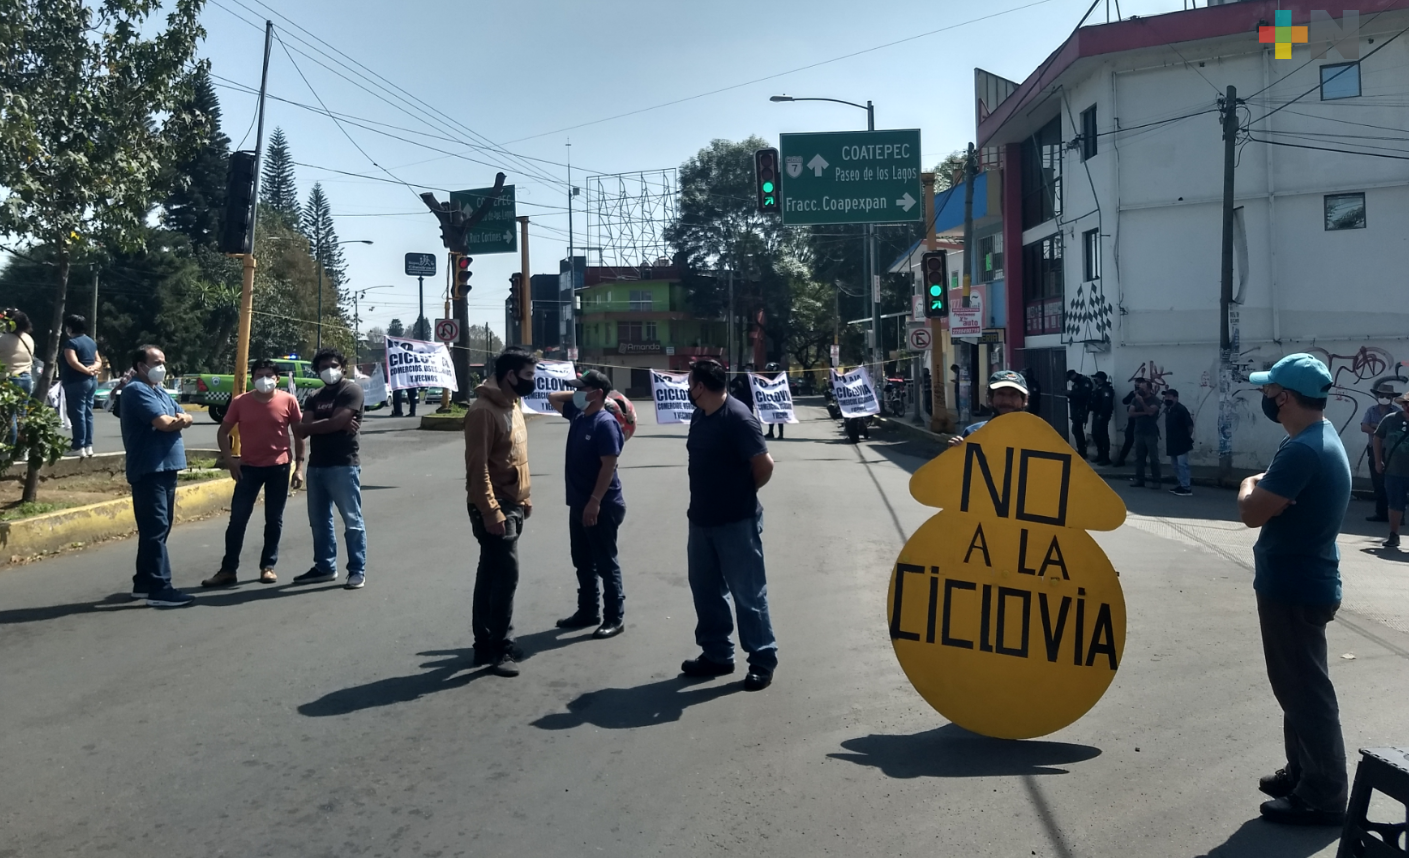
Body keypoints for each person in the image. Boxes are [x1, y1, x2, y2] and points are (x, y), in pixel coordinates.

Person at [1237, 353, 1350, 827]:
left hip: (1295, 586)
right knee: (1295, 688)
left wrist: (1248, 484)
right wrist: (1265, 490)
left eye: (1268, 391)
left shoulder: (1302, 449)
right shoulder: (1313, 440)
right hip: (1302, 581)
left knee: (1305, 691)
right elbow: (1272, 500)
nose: (1265, 397)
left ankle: (1322, 794)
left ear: (1284, 397)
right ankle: (1302, 771)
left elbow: (1252, 510)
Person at [681, 358, 778, 692]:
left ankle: (763, 660)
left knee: (748, 594)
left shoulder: (738, 417)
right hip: (701, 521)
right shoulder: (699, 414)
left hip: (737, 521)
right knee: (706, 591)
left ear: (700, 387)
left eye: (690, 383)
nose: (688, 389)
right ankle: (717, 653)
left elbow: (764, 465)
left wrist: (741, 493)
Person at [464, 347, 537, 677]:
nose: (531, 382)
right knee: (505, 577)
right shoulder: (483, 411)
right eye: (527, 376)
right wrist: (491, 511)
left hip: (513, 504)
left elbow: (516, 456)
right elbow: (477, 468)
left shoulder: (513, 404)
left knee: (492, 573)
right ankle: (498, 648)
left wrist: (525, 495)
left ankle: (484, 645)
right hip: (494, 507)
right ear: (510, 375)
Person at [203, 359, 305, 588]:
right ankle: (228, 570)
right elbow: (223, 432)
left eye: (269, 375)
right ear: (252, 378)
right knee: (237, 520)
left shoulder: (288, 401)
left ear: (277, 379)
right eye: (259, 375)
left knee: (274, 520)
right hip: (248, 469)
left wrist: (299, 468)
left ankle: (268, 566)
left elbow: (299, 435)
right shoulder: (241, 402)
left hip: (279, 467)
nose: (264, 379)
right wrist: (230, 460)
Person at [548, 369, 627, 639]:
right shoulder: (580, 416)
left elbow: (608, 466)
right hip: (579, 503)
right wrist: (582, 393)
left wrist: (594, 502)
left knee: (606, 563)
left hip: (601, 504)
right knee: (582, 560)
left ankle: (615, 617)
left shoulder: (605, 423)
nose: (577, 393)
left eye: (584, 389)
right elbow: (552, 397)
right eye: (578, 389)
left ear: (598, 393)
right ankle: (588, 610)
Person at [120, 345, 195, 607]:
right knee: (155, 528)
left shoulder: (158, 391)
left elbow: (184, 415)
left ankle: (143, 582)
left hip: (166, 467)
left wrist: (180, 419)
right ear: (141, 366)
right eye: (156, 362)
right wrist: (177, 421)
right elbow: (164, 423)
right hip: (149, 468)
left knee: (159, 529)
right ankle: (160, 588)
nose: (161, 367)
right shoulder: (136, 390)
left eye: (163, 361)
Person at [291, 348, 367, 590]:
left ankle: (357, 570)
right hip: (317, 465)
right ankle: (325, 566)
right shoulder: (315, 396)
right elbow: (310, 425)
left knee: (352, 520)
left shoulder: (351, 390)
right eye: (323, 367)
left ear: (343, 367)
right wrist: (334, 424)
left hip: (343, 464)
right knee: (319, 521)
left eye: (333, 365)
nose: (329, 371)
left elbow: (310, 427)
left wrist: (320, 425)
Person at [947, 370, 1029, 448]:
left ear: (1024, 400)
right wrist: (954, 453)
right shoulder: (972, 433)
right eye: (1001, 394)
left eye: (1013, 395)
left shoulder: (1037, 434)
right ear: (990, 399)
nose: (1007, 401)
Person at [59, 314, 101, 458]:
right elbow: (98, 360)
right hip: (92, 380)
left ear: (69, 328)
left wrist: (85, 370)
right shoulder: (91, 342)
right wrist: (92, 370)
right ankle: (88, 445)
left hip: (76, 381)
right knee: (87, 413)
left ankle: (78, 445)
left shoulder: (71, 343)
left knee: (77, 414)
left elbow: (72, 362)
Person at [1372, 390, 1409, 549]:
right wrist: (1378, 460)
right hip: (1395, 469)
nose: (1408, 407)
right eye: (1406, 404)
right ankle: (1394, 535)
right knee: (1395, 504)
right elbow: (1377, 437)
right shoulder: (1390, 420)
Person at [1360, 381, 1400, 523]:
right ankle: (1381, 513)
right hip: (1374, 450)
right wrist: (1380, 432)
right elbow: (1364, 427)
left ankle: (1395, 514)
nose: (1384, 397)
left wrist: (1375, 428)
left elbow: (1393, 432)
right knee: (1378, 484)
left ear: (1391, 397)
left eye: (1387, 396)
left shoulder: (1396, 413)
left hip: (1391, 452)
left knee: (1393, 483)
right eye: (1381, 395)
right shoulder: (1372, 410)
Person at [1, 308, 36, 448]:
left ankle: (9, 448)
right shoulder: (29, 339)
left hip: (9, 380)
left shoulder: (3, 339)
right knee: (22, 415)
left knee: (10, 417)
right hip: (27, 379)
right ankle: (23, 450)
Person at [1128, 379, 1162, 489]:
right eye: (1139, 388)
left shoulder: (1155, 400)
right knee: (1139, 457)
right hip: (1138, 431)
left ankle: (1156, 480)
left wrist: (1142, 402)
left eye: (1142, 388)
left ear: (1149, 389)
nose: (1140, 390)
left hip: (1150, 432)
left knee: (1153, 458)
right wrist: (1145, 413)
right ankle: (1139, 479)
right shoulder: (1135, 399)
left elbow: (1152, 412)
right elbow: (1131, 414)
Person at [1163, 388, 1195, 496]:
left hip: (1182, 442)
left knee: (1182, 464)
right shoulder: (1168, 409)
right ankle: (1181, 484)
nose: (1167, 399)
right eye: (1166, 397)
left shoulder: (1181, 409)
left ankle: (1186, 487)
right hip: (1172, 442)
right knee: (1175, 465)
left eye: (1169, 397)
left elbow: (1189, 425)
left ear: (1175, 398)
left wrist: (1186, 437)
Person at [1113, 379, 1143, 468]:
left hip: (1142, 421)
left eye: (1138, 386)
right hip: (1132, 421)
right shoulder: (1133, 393)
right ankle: (1121, 459)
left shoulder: (1148, 396)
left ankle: (1142, 460)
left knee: (1142, 442)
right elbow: (1125, 401)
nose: (1137, 387)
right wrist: (1133, 394)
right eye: (1136, 386)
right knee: (1128, 441)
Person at [1066, 370, 1093, 459]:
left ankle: (1082, 451)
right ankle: (1081, 450)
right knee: (1076, 430)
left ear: (1074, 375)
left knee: (1077, 430)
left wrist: (1071, 393)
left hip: (1082, 409)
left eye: (1070, 378)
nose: (1071, 380)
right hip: (1076, 409)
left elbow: (1084, 395)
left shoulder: (1084, 381)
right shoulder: (1077, 383)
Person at [1090, 371, 1116, 465]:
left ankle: (1106, 457)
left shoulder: (1106, 389)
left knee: (1103, 435)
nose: (1095, 379)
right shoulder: (1099, 388)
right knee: (1095, 434)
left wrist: (1102, 414)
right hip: (1097, 413)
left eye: (1096, 378)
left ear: (1100, 378)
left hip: (1102, 415)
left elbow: (1106, 404)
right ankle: (1100, 454)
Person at [763, 362, 787, 440]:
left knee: (779, 417)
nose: (768, 372)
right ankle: (771, 432)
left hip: (779, 400)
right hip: (770, 399)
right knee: (771, 415)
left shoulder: (780, 378)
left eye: (769, 370)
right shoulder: (768, 378)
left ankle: (781, 434)